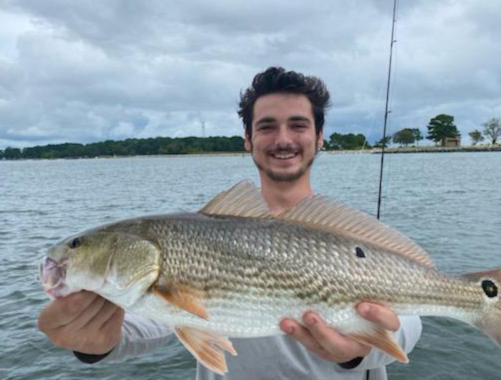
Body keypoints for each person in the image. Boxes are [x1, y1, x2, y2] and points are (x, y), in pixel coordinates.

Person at [38, 67, 422, 379]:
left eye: (299, 125)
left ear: (320, 137)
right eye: (267, 126)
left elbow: (410, 319)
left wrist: (361, 352)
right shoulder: (195, 236)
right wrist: (96, 341)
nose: (283, 139)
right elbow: (155, 321)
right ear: (247, 139)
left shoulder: (349, 236)